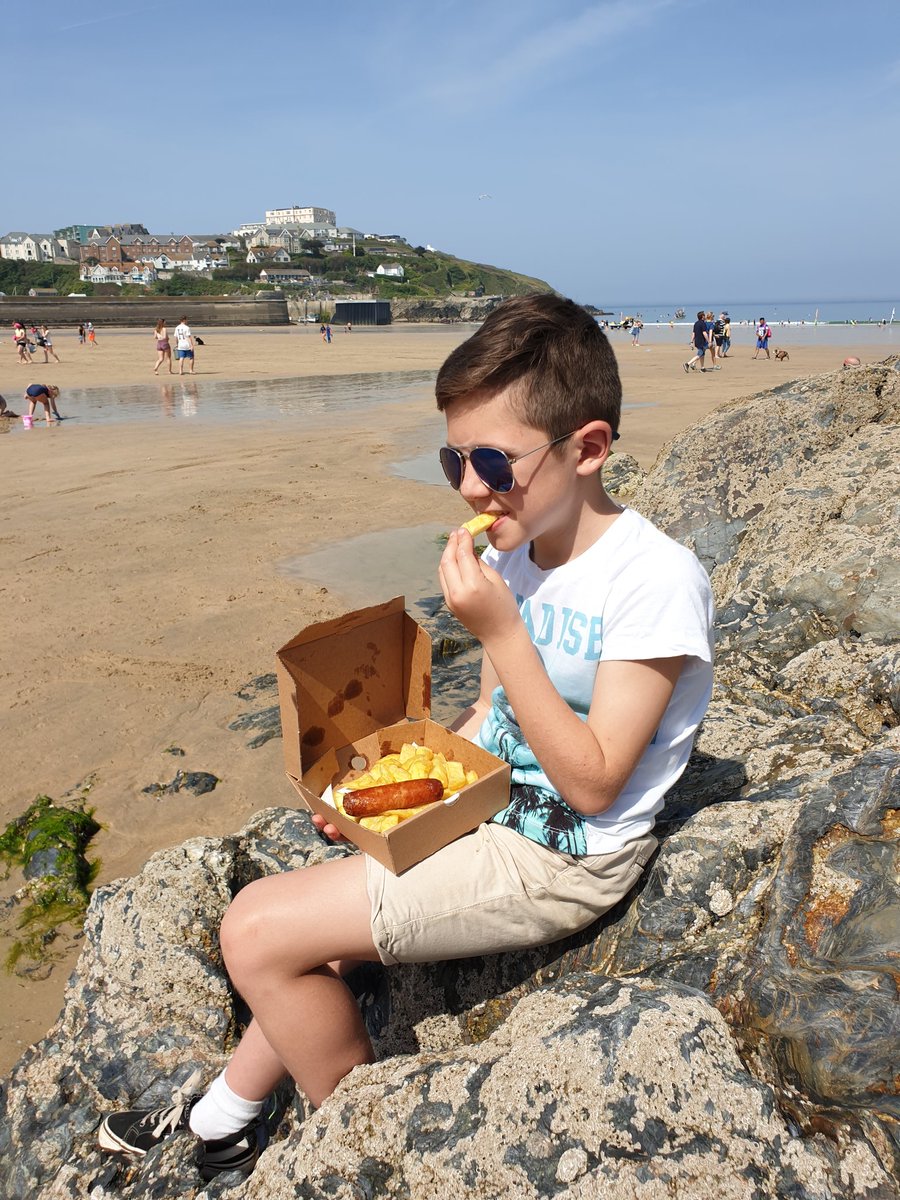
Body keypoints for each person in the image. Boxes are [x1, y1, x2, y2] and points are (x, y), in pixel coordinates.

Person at [96, 294, 714, 1181]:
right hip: (491, 806)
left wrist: (501, 631)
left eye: (494, 462)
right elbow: (489, 718)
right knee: (313, 932)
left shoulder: (653, 579)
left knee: (254, 929)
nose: (469, 488)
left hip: (567, 854)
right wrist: (385, 797)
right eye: (453, 459)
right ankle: (223, 1113)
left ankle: (354, 1142)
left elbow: (594, 784)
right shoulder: (517, 552)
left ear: (587, 448)